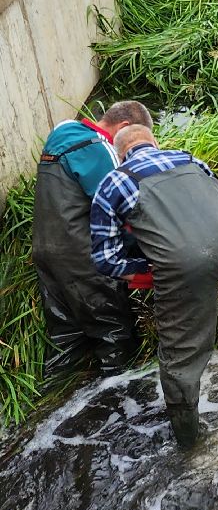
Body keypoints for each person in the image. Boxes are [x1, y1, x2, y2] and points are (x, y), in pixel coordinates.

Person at [90, 125, 218, 449]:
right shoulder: (190, 160)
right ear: (154, 144)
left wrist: (152, 268)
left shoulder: (113, 182)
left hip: (182, 267)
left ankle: (188, 443)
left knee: (179, 359)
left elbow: (105, 259)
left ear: (120, 154)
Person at [31, 100, 153, 384]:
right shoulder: (100, 148)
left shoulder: (63, 132)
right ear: (125, 128)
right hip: (84, 256)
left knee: (66, 337)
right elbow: (121, 208)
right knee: (114, 335)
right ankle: (120, 406)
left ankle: (53, 402)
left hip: (47, 252)